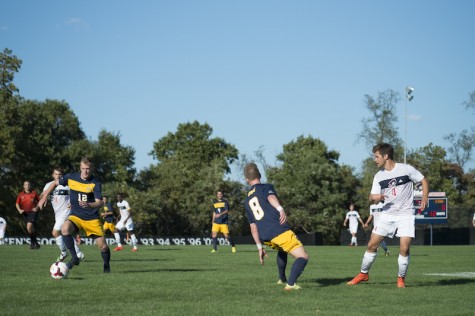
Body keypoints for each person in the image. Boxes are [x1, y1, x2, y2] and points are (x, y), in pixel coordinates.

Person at [347, 143, 429, 288]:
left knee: (404, 249)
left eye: (377, 156)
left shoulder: (406, 169)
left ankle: (401, 279)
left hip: (406, 214)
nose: (375, 160)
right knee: (372, 245)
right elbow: (372, 196)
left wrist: (424, 198)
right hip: (387, 214)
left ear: (386, 156)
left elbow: (423, 180)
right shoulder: (379, 176)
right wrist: (378, 196)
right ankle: (363, 273)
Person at [243, 163, 309, 291]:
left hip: (265, 237)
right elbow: (271, 197)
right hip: (278, 231)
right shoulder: (265, 187)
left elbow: (253, 227)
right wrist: (280, 209)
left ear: (247, 179)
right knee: (303, 257)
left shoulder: (247, 200)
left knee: (282, 250)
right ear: (260, 175)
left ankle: (282, 278)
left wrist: (259, 247)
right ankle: (290, 284)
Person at [39, 157, 111, 273]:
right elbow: (54, 183)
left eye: (88, 169)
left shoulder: (95, 182)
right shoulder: (71, 177)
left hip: (91, 218)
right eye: (83, 168)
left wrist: (89, 204)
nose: (85, 171)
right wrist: (43, 198)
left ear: (91, 169)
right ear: (80, 168)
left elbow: (99, 202)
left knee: (103, 246)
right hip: (76, 216)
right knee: (65, 228)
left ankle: (106, 267)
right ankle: (75, 257)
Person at [41, 167, 85, 262]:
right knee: (64, 233)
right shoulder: (49, 185)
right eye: (56, 174)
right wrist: (43, 199)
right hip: (58, 214)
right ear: (53, 175)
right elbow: (43, 194)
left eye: (60, 174)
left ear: (63, 175)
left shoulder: (68, 184)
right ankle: (77, 252)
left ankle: (65, 252)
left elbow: (79, 195)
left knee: (55, 232)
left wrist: (74, 203)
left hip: (67, 212)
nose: (58, 176)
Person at [15, 181, 41, 249]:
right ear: (23, 186)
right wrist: (20, 210)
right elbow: (17, 204)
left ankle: (33, 242)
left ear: (30, 185)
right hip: (25, 213)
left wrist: (37, 208)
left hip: (33, 212)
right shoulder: (20, 194)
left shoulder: (34, 193)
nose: (27, 186)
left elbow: (40, 201)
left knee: (29, 227)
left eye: (28, 185)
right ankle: (34, 243)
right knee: (30, 229)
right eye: (26, 185)